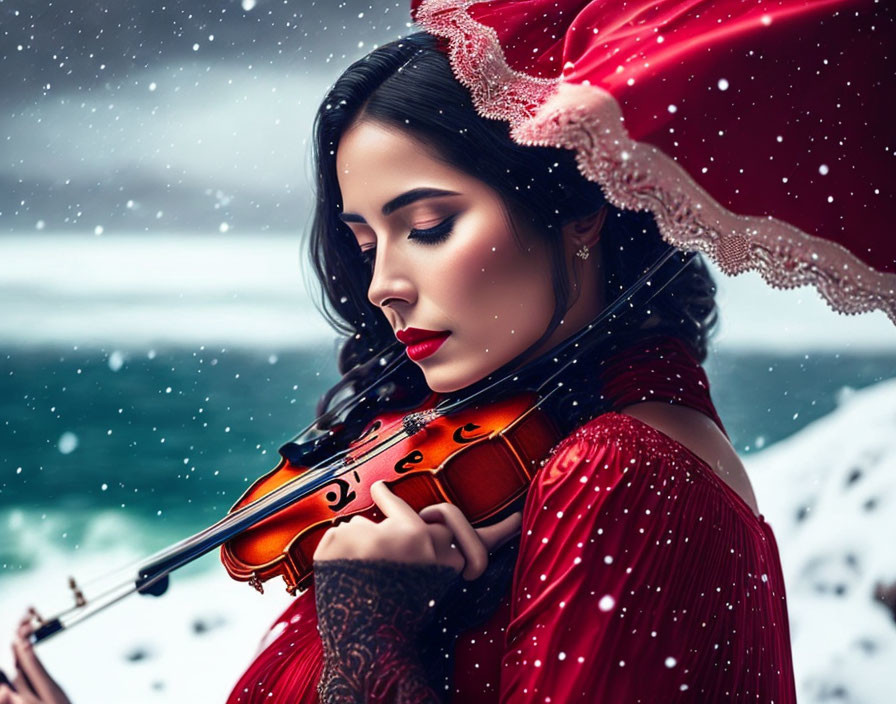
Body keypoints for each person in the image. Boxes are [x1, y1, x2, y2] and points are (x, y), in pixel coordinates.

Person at [3, 30, 795, 704]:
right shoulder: (530, 447)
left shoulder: (620, 470)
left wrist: (369, 636)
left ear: (578, 208)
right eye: (364, 243)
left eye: (428, 224)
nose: (383, 285)